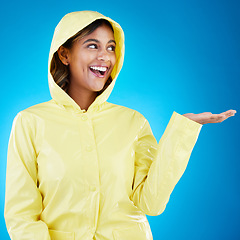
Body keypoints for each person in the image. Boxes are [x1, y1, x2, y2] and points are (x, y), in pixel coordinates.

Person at [4, 10, 236, 240]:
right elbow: (21, 215)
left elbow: (151, 203)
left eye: (111, 47)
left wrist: (182, 131)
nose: (105, 56)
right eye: (93, 46)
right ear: (65, 54)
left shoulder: (133, 121)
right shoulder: (30, 122)